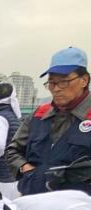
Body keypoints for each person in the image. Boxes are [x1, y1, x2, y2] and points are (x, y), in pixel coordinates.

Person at [6, 46, 91, 195]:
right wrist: (25, 169)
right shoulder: (39, 114)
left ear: (83, 80)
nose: (56, 89)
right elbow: (12, 150)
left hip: (77, 209)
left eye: (63, 82)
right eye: (51, 83)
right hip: (33, 200)